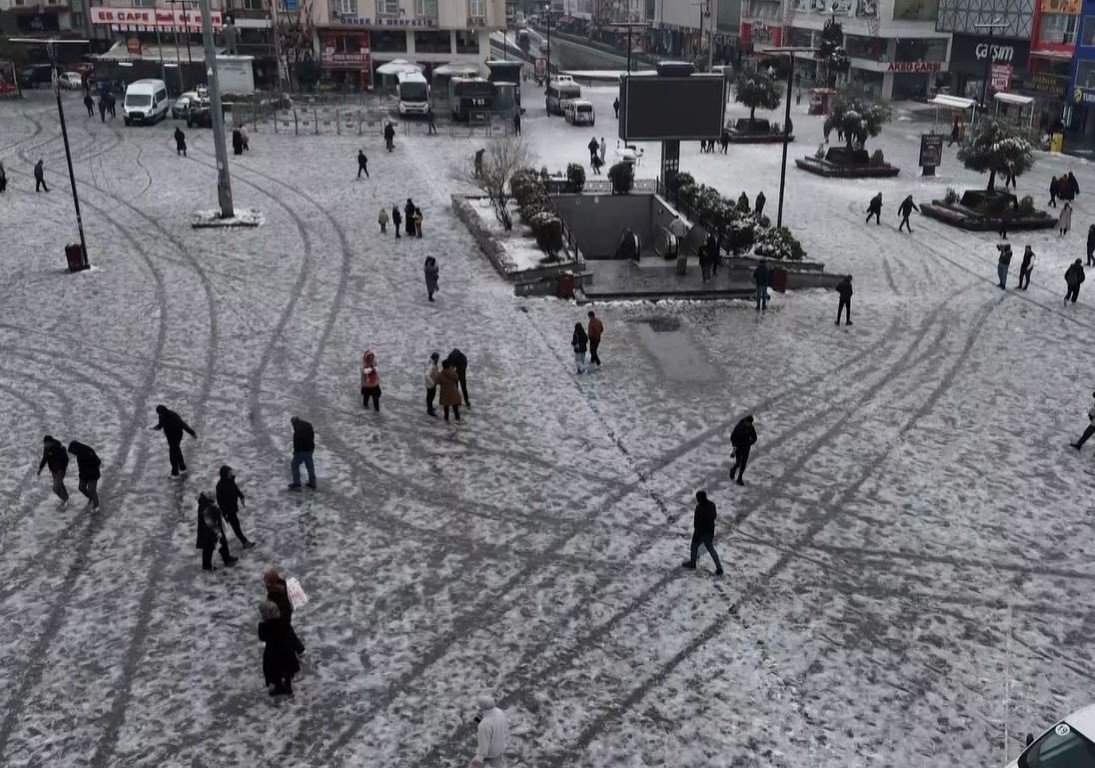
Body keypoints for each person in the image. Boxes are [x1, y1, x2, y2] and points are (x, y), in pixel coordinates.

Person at [258, 600, 300, 696]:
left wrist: (261, 624)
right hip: (287, 653)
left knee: (274, 672)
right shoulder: (284, 623)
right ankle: (288, 686)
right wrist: (299, 649)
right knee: (287, 671)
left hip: (273, 655)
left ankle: (278, 687)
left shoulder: (267, 626)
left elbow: (262, 637)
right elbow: (293, 637)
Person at [681, 490, 723, 576]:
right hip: (710, 531)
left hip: (700, 533)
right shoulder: (712, 505)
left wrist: (696, 534)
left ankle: (692, 563)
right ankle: (719, 568)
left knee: (694, 546)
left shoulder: (699, 509)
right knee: (711, 549)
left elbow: (697, 523)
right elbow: (714, 516)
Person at [196, 490, 236, 570]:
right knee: (208, 548)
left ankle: (227, 558)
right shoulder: (206, 508)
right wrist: (217, 531)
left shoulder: (210, 504)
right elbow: (209, 522)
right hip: (208, 532)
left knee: (223, 542)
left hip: (216, 528)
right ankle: (206, 566)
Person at [216, 465, 254, 549]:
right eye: (229, 473)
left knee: (236, 526)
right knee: (235, 527)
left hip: (233, 508)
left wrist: (241, 496)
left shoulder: (230, 481)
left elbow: (236, 489)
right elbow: (220, 501)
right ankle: (244, 542)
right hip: (228, 511)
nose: (231, 473)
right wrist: (225, 513)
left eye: (230, 472)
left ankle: (242, 542)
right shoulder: (220, 486)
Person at [470, 695, 508, 768]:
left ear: (482, 707)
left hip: (488, 754)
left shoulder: (484, 725)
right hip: (499, 749)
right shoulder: (500, 712)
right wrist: (478, 717)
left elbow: (484, 746)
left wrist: (479, 758)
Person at [67, 440, 101, 510]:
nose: (73, 454)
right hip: (84, 475)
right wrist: (81, 475)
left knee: (92, 490)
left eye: (73, 452)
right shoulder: (79, 454)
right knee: (81, 488)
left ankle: (96, 505)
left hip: (93, 475)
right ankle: (91, 497)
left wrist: (90, 469)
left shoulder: (88, 451)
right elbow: (80, 467)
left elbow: (98, 461)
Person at [37, 435, 69, 503]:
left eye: (46, 443)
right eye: (44, 443)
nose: (45, 445)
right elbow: (45, 458)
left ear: (50, 442)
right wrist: (40, 468)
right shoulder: (47, 447)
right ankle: (67, 499)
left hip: (60, 470)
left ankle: (65, 499)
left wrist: (62, 468)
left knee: (55, 488)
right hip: (53, 470)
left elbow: (66, 459)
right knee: (60, 485)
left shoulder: (60, 447)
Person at [288, 416, 316, 490]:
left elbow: (297, 442)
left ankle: (297, 484)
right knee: (310, 465)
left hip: (302, 451)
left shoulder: (298, 429)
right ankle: (312, 483)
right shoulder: (308, 424)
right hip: (310, 448)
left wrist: (295, 452)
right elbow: (312, 435)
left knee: (294, 465)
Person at [730, 415, 757, 486]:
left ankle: (739, 478)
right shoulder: (739, 427)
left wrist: (750, 443)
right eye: (748, 423)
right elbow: (732, 437)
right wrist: (734, 446)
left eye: (750, 423)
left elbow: (754, 437)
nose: (749, 424)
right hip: (738, 447)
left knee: (744, 464)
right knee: (738, 462)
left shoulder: (751, 428)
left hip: (746, 448)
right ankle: (733, 469)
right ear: (745, 421)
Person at [424, 352, 440, 416]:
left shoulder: (433, 364)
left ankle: (430, 408)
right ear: (435, 359)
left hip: (432, 384)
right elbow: (427, 375)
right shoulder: (431, 366)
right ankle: (430, 410)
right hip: (430, 385)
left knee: (431, 396)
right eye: (438, 358)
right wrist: (432, 382)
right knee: (430, 397)